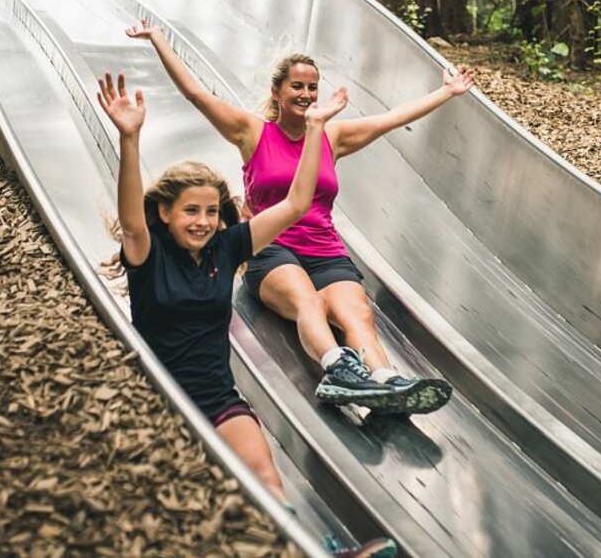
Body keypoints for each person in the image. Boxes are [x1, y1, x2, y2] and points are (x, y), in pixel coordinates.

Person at [97, 72, 396, 558]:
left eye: (211, 211)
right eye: (190, 211)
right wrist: (129, 138)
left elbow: (298, 203)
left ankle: (311, 552)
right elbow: (132, 220)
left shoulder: (228, 246)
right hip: (157, 395)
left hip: (216, 396)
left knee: (264, 480)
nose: (202, 221)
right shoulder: (149, 256)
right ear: (167, 213)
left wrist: (316, 127)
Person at [126, 21, 475, 415]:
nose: (307, 94)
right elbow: (195, 94)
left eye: (312, 87)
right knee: (308, 300)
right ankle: (339, 371)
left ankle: (386, 382)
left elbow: (392, 118)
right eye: (297, 86)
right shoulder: (252, 132)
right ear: (277, 92)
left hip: (325, 250)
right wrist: (158, 39)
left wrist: (447, 92)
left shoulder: (333, 136)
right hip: (271, 249)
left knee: (357, 311)